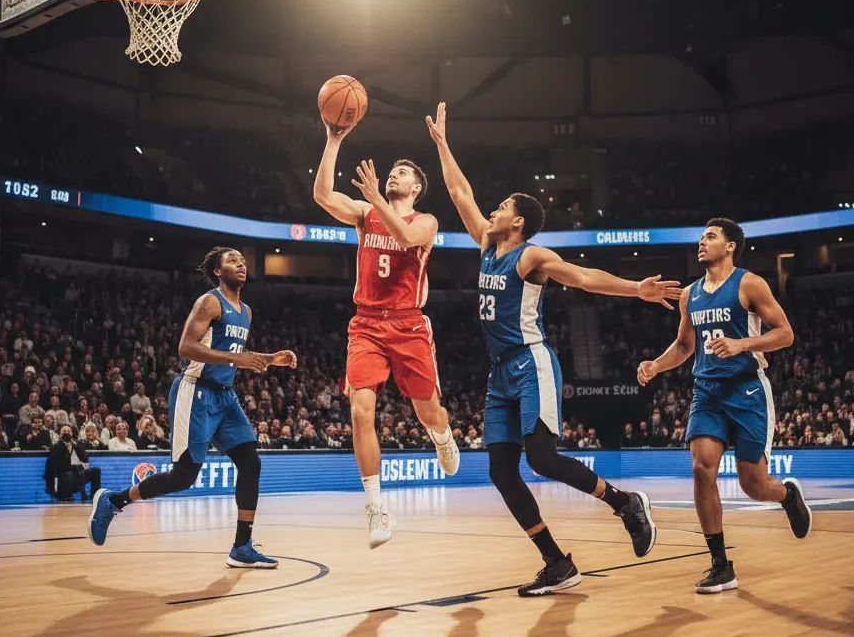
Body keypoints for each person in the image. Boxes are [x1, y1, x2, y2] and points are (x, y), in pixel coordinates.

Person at [429, 102, 680, 596]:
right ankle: (556, 562)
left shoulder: (531, 257)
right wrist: (441, 145)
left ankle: (625, 502)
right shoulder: (486, 243)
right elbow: (460, 192)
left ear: (518, 222)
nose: (493, 211)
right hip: (499, 373)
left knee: (541, 458)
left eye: (502, 207)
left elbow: (584, 277)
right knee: (502, 472)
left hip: (531, 363)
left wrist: (636, 289)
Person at [89, 248, 297, 568]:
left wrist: (269, 359)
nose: (241, 264)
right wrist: (236, 358)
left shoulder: (246, 311)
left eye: (243, 260)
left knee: (250, 463)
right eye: (232, 260)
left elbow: (230, 353)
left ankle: (242, 546)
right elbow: (187, 347)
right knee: (184, 477)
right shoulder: (209, 301)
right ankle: (113, 501)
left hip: (225, 397)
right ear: (217, 271)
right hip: (196, 391)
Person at [637, 218, 812, 594]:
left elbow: (785, 334)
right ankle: (720, 564)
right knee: (702, 468)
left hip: (747, 390)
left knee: (753, 485)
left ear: (731, 245)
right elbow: (685, 347)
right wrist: (655, 364)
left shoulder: (749, 283)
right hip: (707, 393)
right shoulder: (690, 294)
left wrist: (741, 344)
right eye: (701, 237)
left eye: (711, 236)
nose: (702, 242)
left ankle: (787, 495)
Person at [313, 119, 460, 549]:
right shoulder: (364, 215)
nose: (394, 174)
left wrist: (377, 197)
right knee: (361, 409)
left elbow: (408, 236)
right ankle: (376, 507)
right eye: (392, 171)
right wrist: (333, 139)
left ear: (417, 188)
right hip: (367, 324)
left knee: (427, 411)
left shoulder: (427, 221)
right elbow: (322, 195)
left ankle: (442, 436)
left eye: (403, 173)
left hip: (409, 324)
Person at [46, 426, 100, 501]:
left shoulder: (77, 444)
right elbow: (57, 464)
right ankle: (67, 495)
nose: (66, 433)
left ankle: (95, 496)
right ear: (60, 434)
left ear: (72, 434)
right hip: (64, 475)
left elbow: (84, 458)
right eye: (64, 431)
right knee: (69, 473)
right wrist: (66, 446)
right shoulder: (56, 446)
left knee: (96, 471)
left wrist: (76, 446)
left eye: (69, 431)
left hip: (80, 472)